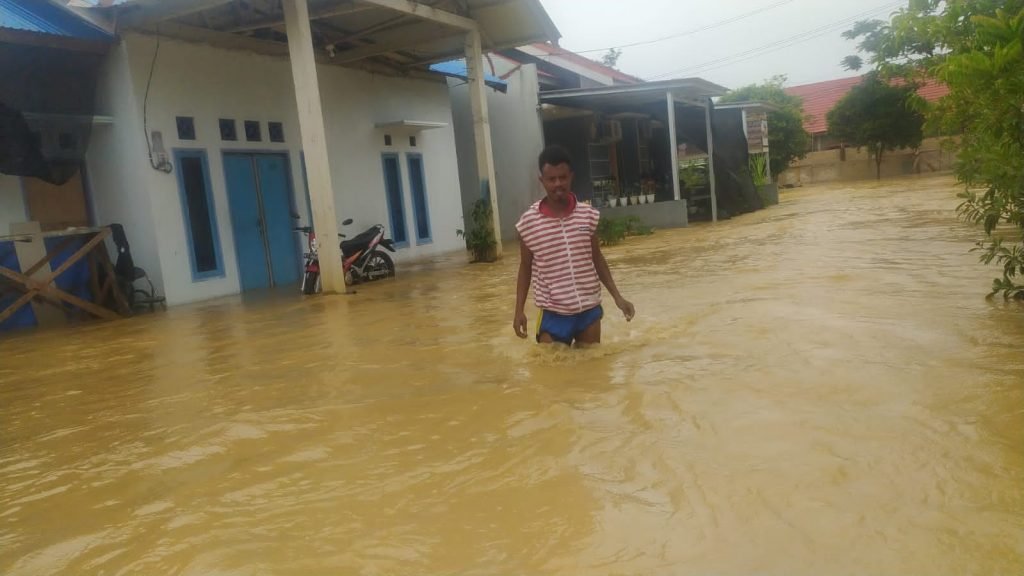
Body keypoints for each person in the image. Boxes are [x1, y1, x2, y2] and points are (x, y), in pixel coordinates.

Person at [513, 145, 635, 346]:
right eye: (551, 179)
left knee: (591, 372)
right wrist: (519, 311)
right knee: (554, 373)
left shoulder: (587, 215)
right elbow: (525, 267)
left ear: (571, 176)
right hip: (553, 314)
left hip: (588, 311)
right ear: (541, 181)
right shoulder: (529, 223)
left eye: (563, 177)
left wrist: (618, 297)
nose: (558, 184)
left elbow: (596, 258)